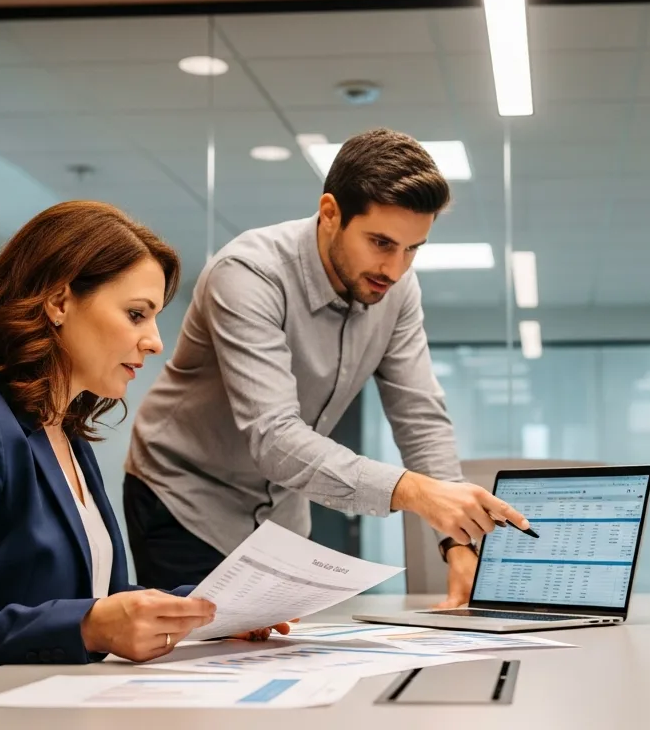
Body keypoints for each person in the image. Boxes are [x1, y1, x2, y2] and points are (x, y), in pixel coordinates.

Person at [0, 201, 287, 697]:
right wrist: (89, 626)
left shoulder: (66, 434)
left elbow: (95, 599)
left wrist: (213, 611)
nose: (154, 342)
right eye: (136, 315)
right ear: (59, 302)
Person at [124, 128, 530, 608]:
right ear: (331, 212)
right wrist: (414, 491)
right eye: (381, 242)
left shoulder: (396, 289)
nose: (395, 269)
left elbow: (419, 415)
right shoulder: (249, 274)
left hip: (281, 509)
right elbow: (274, 437)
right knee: (205, 647)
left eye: (412, 249)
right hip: (185, 498)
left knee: (282, 647)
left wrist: (458, 541)